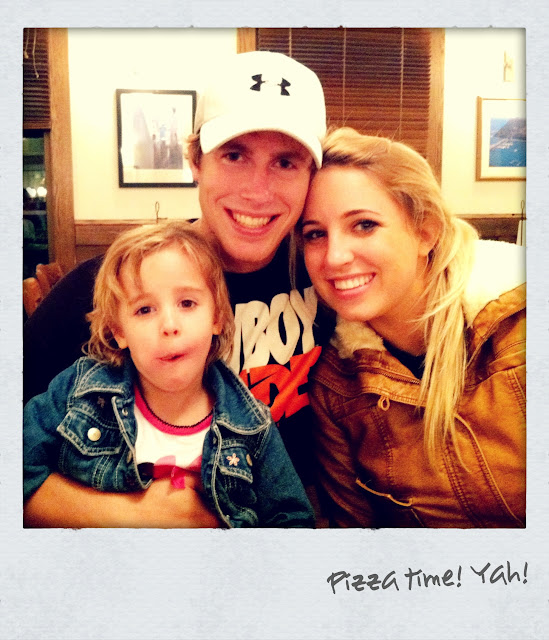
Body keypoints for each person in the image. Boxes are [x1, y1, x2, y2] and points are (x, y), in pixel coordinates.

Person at [23, 50, 333, 527]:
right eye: (234, 155)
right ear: (195, 160)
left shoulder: (330, 276)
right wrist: (138, 516)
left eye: (286, 162)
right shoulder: (111, 290)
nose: (258, 190)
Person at [300, 127, 526, 528]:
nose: (334, 257)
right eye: (315, 234)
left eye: (364, 225)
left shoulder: (520, 326)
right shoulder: (336, 387)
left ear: (425, 232)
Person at [24, 221, 315, 528]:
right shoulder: (79, 392)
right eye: (144, 310)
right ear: (119, 331)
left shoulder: (252, 426)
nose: (169, 325)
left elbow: (293, 520)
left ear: (217, 316)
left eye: (187, 303)